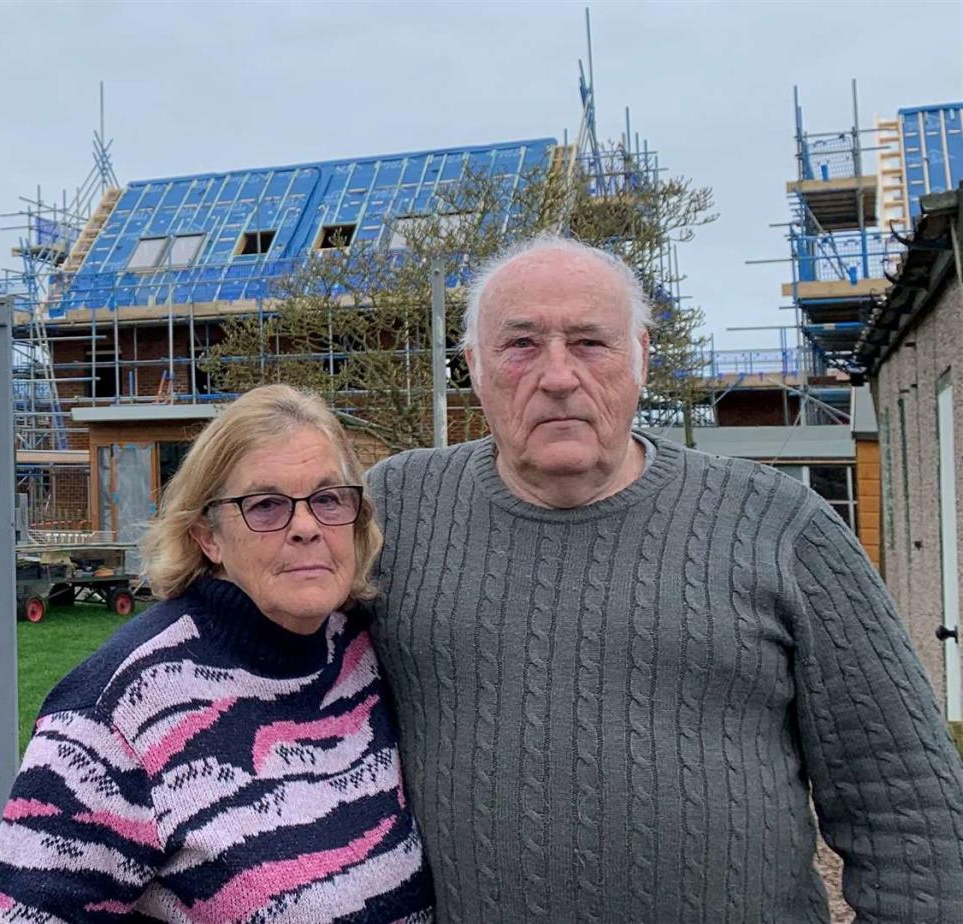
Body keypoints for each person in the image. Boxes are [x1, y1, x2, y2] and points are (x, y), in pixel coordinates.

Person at [368, 234, 963, 922]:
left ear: (642, 358)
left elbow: (908, 808)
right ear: (471, 365)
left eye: (590, 342)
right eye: (520, 344)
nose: (557, 375)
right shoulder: (395, 511)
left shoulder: (779, 525)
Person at [0, 385, 433, 923]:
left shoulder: (356, 653)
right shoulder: (117, 715)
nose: (307, 527)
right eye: (266, 505)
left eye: (328, 499)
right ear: (207, 536)